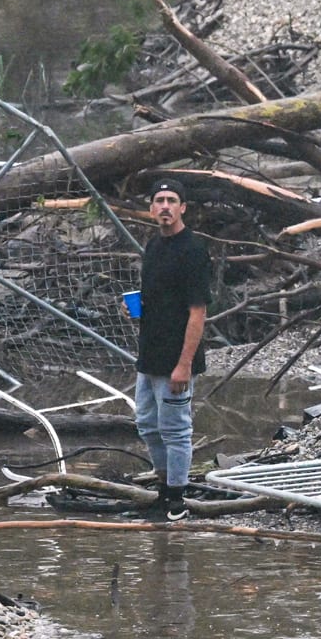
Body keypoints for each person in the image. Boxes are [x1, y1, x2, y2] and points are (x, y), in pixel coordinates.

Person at [133, 179, 211, 519]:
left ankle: (177, 499)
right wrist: (135, 309)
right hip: (149, 355)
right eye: (159, 200)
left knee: (175, 428)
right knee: (147, 424)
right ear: (151, 209)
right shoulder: (153, 246)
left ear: (183, 208)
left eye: (172, 200)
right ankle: (163, 489)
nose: (165, 206)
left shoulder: (193, 250)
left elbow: (197, 313)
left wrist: (184, 365)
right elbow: (156, 299)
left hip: (176, 358)